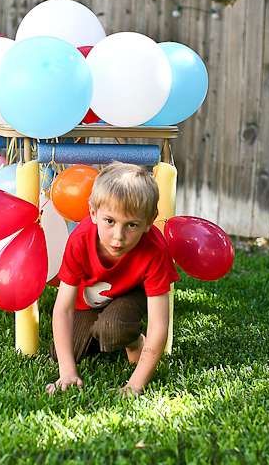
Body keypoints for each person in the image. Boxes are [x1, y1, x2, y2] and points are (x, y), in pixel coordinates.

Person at [46, 161, 178, 396]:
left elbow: (160, 324)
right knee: (63, 353)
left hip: (129, 295)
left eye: (132, 225)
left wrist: (135, 385)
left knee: (113, 328)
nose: (118, 237)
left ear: (150, 221)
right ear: (93, 213)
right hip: (88, 302)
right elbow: (63, 308)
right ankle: (104, 331)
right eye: (110, 221)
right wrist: (67, 372)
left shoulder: (155, 249)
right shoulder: (80, 240)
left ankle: (132, 339)